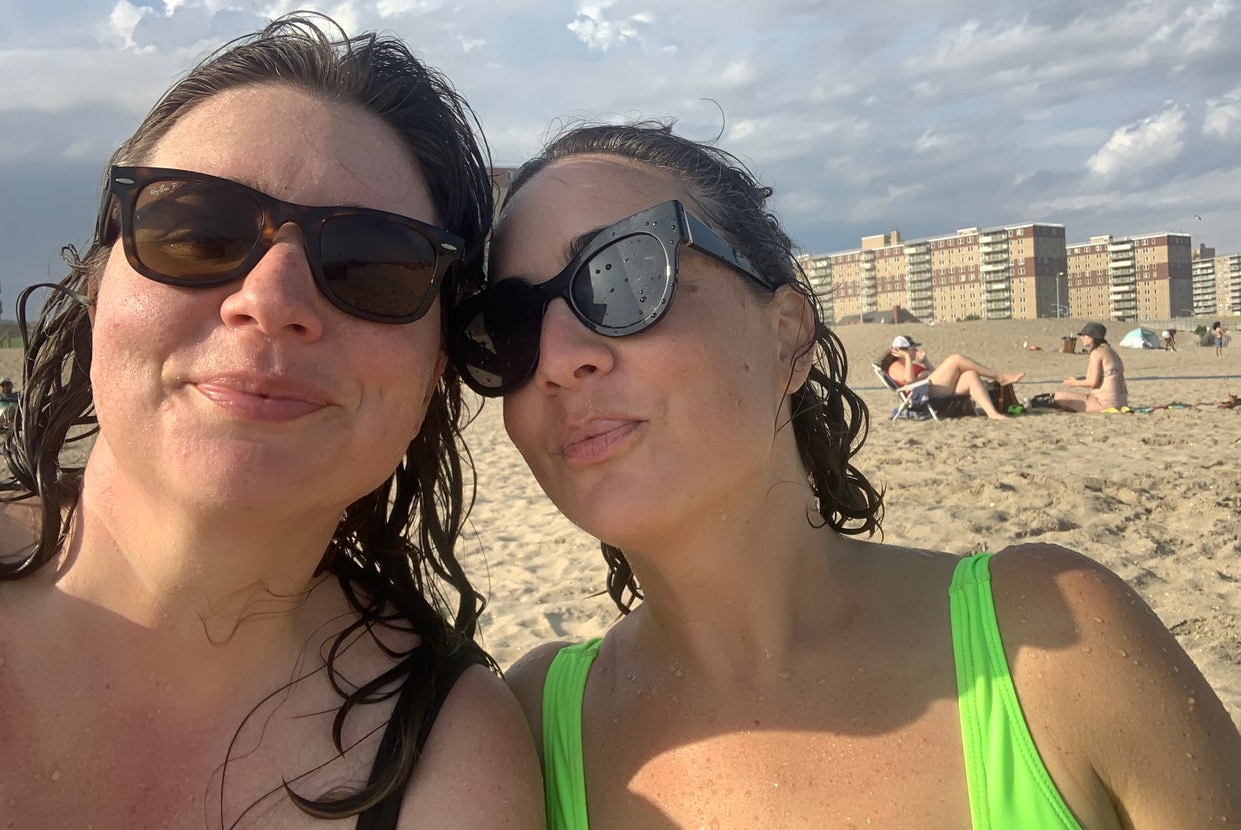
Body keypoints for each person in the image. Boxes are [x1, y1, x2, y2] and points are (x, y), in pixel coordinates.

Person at [448, 121, 1241, 829]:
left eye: (620, 276)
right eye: (509, 327)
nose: (555, 359)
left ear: (788, 334)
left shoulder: (1057, 642)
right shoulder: (525, 731)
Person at [0, 15, 542, 830]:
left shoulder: (453, 758)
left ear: (434, 368)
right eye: (197, 229)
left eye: (373, 263)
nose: (272, 300)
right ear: (99, 288)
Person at [877, 334, 1023, 420]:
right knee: (955, 359)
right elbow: (909, 381)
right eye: (913, 348)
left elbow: (937, 375)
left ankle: (992, 413)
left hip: (933, 388)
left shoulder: (907, 363)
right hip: (923, 395)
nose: (916, 351)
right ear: (902, 351)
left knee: (970, 375)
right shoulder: (895, 366)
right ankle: (999, 377)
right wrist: (908, 358)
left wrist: (925, 363)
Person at [1055, 321, 1129, 413]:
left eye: (1084, 335)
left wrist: (1075, 383)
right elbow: (1104, 376)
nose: (1081, 337)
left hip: (1104, 402)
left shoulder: (1097, 352)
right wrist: (1078, 380)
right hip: (1122, 402)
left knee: (1059, 396)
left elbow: (1093, 382)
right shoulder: (1111, 351)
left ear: (1093, 336)